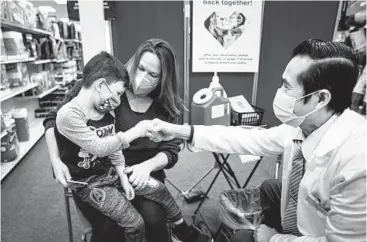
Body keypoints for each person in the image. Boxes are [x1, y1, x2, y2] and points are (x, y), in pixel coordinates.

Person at [149, 39, 367, 242]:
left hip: (320, 233)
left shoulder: (357, 163)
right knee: (270, 187)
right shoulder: (304, 126)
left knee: (241, 238)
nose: (279, 92)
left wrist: (274, 238)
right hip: (304, 215)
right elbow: (247, 138)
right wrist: (182, 131)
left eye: (287, 87)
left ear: (320, 98)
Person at [43, 39, 195, 242]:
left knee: (154, 219)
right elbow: (53, 119)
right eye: (141, 68)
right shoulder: (103, 87)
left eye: (153, 75)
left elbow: (171, 151)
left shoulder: (165, 105)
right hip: (96, 173)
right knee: (110, 228)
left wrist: (145, 167)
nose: (143, 78)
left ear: (163, 79)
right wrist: (55, 159)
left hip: (140, 171)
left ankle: (180, 229)